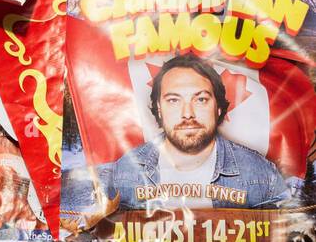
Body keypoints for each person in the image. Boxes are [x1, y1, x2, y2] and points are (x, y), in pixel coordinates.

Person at [94, 56, 289, 212]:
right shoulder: (125, 170)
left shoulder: (261, 173)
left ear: (218, 107)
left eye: (201, 99)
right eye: (173, 100)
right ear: (159, 109)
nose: (188, 114)